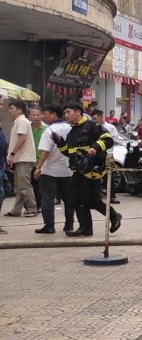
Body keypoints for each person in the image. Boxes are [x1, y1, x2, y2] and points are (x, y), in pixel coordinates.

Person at [60, 102, 120, 238]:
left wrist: (95, 148)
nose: (66, 115)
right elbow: (69, 153)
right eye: (64, 113)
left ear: (78, 112)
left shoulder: (92, 126)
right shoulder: (71, 133)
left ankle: (114, 216)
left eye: (68, 112)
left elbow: (108, 140)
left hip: (93, 169)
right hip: (78, 170)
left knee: (91, 199)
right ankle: (85, 228)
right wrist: (60, 143)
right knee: (74, 199)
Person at [32, 104, 74, 234]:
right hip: (68, 170)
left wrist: (38, 167)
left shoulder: (49, 130)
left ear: (54, 115)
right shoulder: (71, 128)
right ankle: (69, 225)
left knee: (47, 198)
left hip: (50, 170)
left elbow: (45, 152)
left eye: (45, 114)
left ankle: (49, 226)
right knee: (68, 199)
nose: (42, 116)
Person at [6, 100, 39, 217]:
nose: (9, 111)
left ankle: (32, 208)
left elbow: (22, 138)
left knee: (24, 185)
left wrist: (12, 154)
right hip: (20, 158)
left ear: (20, 110)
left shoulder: (22, 121)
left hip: (24, 158)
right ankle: (16, 210)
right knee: (19, 186)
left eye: (12, 108)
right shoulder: (18, 122)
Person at [29, 107, 46, 210]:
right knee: (29, 185)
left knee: (39, 186)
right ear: (29, 116)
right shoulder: (27, 129)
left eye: (38, 115)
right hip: (29, 160)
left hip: (41, 161)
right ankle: (30, 206)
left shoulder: (46, 130)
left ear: (41, 116)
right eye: (33, 115)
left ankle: (39, 205)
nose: (36, 117)